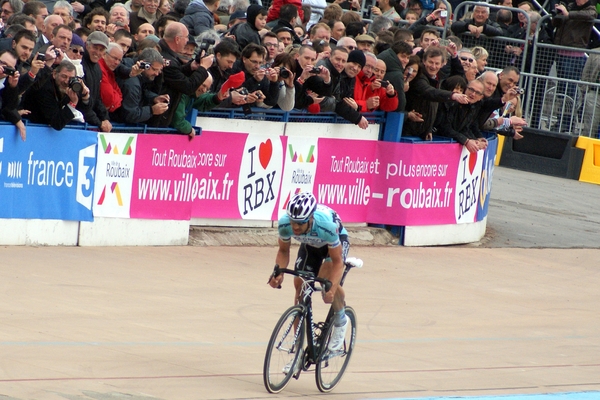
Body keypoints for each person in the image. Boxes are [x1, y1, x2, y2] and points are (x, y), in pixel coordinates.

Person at [268, 192, 351, 353]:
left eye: (300, 223)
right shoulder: (285, 224)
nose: (295, 227)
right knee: (300, 284)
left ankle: (341, 320)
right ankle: (297, 351)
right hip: (310, 244)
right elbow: (283, 252)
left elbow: (337, 262)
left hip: (333, 244)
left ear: (311, 218)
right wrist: (278, 272)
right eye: (293, 222)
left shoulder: (325, 225)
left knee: (324, 280)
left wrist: (332, 290)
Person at [149, 22, 213, 127]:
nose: (187, 41)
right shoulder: (166, 59)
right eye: (186, 37)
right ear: (177, 39)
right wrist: (203, 68)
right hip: (156, 118)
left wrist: (191, 67)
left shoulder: (164, 53)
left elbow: (176, 76)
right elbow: (188, 87)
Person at [21, 60, 92, 131]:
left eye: (71, 78)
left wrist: (85, 96)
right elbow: (57, 123)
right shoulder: (44, 88)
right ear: (54, 74)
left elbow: (85, 111)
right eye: (64, 76)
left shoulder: (70, 87)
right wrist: (72, 104)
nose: (66, 81)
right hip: (32, 129)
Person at [115, 47, 168, 123]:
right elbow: (130, 115)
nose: (156, 74)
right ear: (143, 64)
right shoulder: (132, 83)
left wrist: (154, 98)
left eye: (159, 70)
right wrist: (152, 110)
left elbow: (142, 91)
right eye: (154, 69)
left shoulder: (136, 72)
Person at [81, 30, 113, 132]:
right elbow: (81, 103)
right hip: (78, 123)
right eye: (95, 48)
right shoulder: (79, 65)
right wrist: (99, 122)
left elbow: (97, 98)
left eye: (101, 49)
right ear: (87, 45)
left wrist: (105, 118)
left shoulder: (97, 68)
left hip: (89, 120)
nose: (97, 52)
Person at [377, 40, 412, 111]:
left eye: (408, 57)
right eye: (403, 56)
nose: (406, 60)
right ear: (395, 55)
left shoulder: (382, 60)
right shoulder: (397, 75)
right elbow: (400, 104)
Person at [0, 49, 26, 140]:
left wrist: (13, 87)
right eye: (2, 63)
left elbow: (9, 107)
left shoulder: (8, 83)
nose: (3, 68)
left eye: (9, 68)